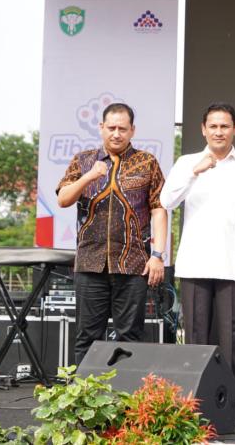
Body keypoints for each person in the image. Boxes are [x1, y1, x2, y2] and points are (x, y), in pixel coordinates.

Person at [160, 103, 235, 423]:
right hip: (195, 261)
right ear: (203, 130)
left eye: (225, 126)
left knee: (231, 337)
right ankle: (194, 403)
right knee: (196, 337)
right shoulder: (187, 163)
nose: (219, 132)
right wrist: (195, 171)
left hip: (234, 263)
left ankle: (232, 403)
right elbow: (166, 201)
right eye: (213, 126)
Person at [56, 102, 167, 364]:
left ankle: (126, 390)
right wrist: (88, 177)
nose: (116, 134)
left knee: (130, 338)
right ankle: (84, 390)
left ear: (132, 130)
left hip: (133, 264)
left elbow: (159, 209)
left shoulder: (147, 162)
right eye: (111, 128)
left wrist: (157, 255)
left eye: (122, 129)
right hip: (90, 263)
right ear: (101, 127)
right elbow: (63, 199)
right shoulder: (83, 160)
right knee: (87, 337)